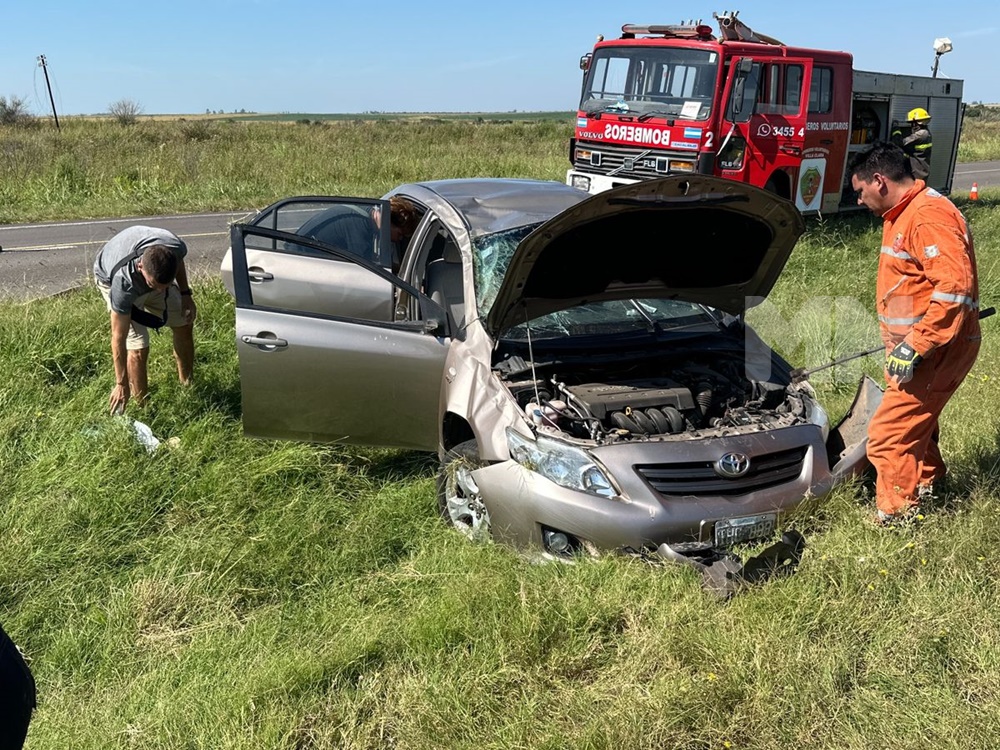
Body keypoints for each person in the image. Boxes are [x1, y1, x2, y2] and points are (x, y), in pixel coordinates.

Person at [850, 142, 980, 524]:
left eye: (860, 191)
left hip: (936, 349)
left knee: (889, 434)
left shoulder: (926, 216)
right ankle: (931, 484)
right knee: (916, 422)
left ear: (879, 180)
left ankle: (897, 517)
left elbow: (954, 290)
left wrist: (915, 346)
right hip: (918, 349)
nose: (859, 201)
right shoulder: (901, 213)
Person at [93, 226, 196, 414]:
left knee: (184, 321)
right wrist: (120, 383)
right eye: (154, 286)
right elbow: (118, 337)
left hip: (153, 273)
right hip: (112, 277)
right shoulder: (123, 282)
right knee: (139, 348)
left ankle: (187, 385)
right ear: (140, 266)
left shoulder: (175, 248)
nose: (160, 291)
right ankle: (144, 408)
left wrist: (185, 293)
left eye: (164, 286)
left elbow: (177, 262)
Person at [891, 107, 933, 180]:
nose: (911, 125)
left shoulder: (920, 135)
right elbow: (912, 150)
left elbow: (898, 143)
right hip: (921, 173)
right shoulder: (927, 133)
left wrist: (896, 128)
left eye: (911, 123)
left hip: (916, 175)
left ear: (915, 123)